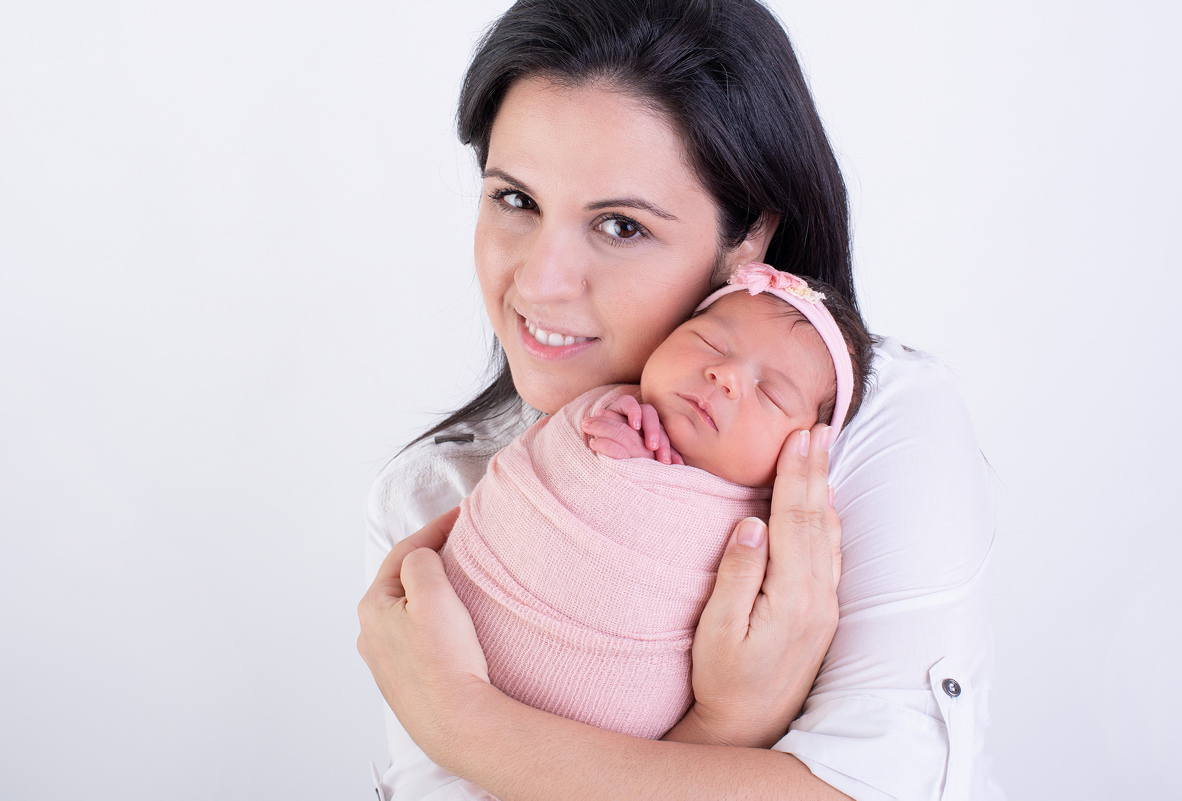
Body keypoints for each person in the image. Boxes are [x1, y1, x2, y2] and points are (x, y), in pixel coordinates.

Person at [359, 1, 1000, 799]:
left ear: (748, 241)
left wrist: (465, 723)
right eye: (516, 200)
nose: (540, 282)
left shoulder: (872, 434)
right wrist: (729, 724)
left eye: (621, 226)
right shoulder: (433, 495)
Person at [439, 264, 873, 743]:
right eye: (710, 343)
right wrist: (613, 452)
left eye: (771, 394)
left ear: (807, 446)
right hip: (446, 631)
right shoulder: (601, 407)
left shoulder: (772, 531)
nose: (725, 375)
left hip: (610, 740)